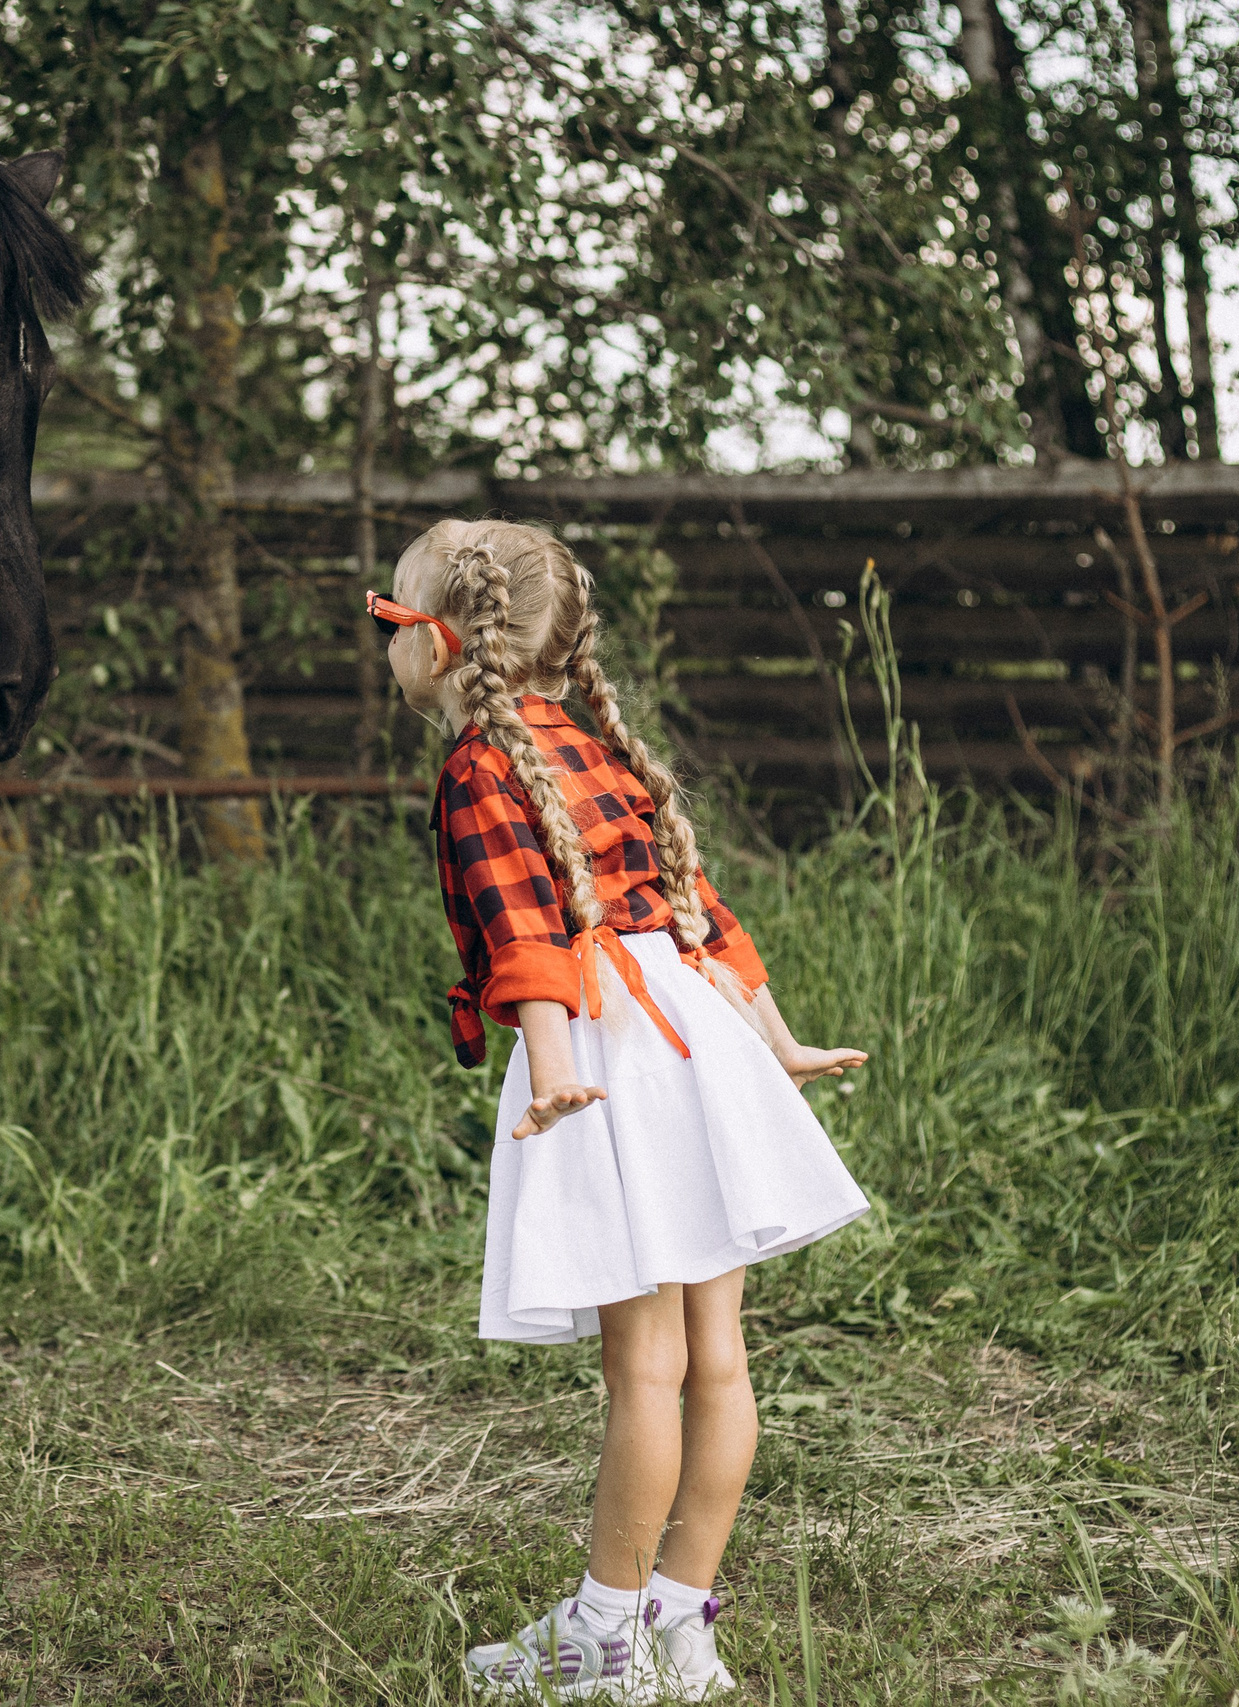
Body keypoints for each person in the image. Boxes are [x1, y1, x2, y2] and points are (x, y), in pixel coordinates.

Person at [371, 519, 871, 1702]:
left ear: (438, 647)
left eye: (385, 622)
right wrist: (774, 1041)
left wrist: (550, 1068)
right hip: (693, 1034)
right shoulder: (596, 749)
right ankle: (678, 1620)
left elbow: (523, 936)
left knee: (642, 1370)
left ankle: (605, 1638)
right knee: (717, 1361)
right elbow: (700, 910)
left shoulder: (480, 768)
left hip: (608, 1052)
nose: (383, 642)